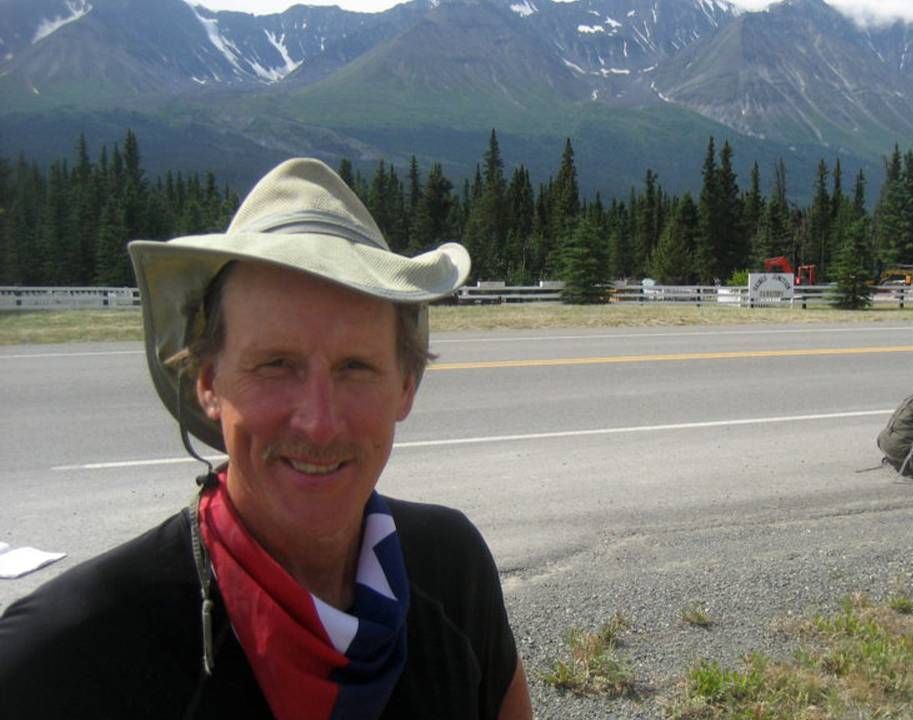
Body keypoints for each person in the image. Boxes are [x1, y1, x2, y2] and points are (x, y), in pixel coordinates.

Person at [0, 158, 532, 719]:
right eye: (276, 364)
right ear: (207, 383)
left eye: (355, 367)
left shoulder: (450, 569)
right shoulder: (67, 658)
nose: (319, 423)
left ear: (406, 385)